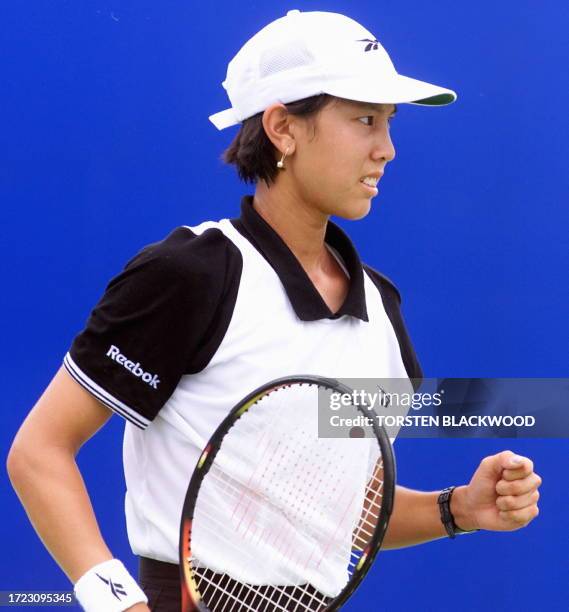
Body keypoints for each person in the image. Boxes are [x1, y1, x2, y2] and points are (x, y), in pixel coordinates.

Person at [7, 9, 541, 612]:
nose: (387, 148)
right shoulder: (190, 273)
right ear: (283, 128)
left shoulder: (380, 306)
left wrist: (458, 508)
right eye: (364, 118)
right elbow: (39, 452)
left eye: (389, 123)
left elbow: (342, 515)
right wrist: (119, 605)